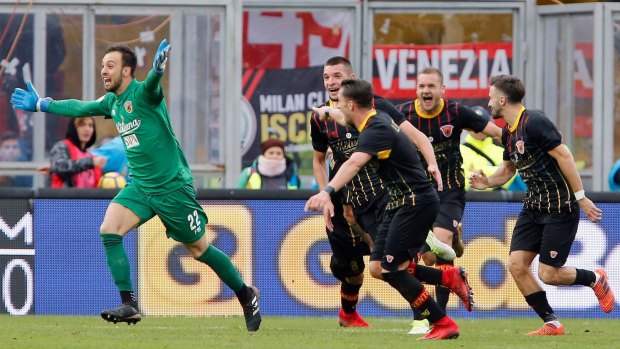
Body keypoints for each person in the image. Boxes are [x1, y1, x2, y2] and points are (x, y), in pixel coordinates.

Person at [10, 39, 262, 331]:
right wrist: (42, 104)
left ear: (127, 71)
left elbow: (154, 85)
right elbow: (81, 107)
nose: (104, 71)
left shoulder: (143, 93)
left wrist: (157, 70)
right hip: (140, 187)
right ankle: (129, 304)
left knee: (200, 250)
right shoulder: (112, 101)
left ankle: (245, 294)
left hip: (172, 188)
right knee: (109, 229)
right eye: (102, 66)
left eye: (110, 66)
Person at [306, 79, 473, 340]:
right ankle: (449, 277)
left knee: (393, 269)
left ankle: (443, 323)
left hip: (415, 202)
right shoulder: (371, 117)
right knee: (377, 268)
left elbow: (353, 164)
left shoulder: (376, 130)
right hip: (400, 202)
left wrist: (326, 192)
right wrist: (324, 112)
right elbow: (339, 115)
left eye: (339, 104)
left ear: (351, 104)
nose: (336, 109)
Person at [469, 74, 614, 335]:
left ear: (502, 99)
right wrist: (487, 182)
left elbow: (565, 155)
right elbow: (507, 170)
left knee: (549, 274)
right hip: (533, 208)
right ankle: (552, 323)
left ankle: (595, 278)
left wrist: (581, 197)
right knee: (516, 265)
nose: (488, 102)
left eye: (491, 96)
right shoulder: (508, 133)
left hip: (560, 207)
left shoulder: (535, 122)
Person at [396, 67, 502, 332]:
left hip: (449, 192)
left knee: (440, 244)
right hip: (417, 193)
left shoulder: (455, 112)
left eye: (431, 86)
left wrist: (524, 140)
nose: (426, 91)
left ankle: (435, 318)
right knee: (426, 258)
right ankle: (455, 241)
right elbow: (371, 129)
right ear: (416, 89)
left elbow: (497, 132)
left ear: (442, 90)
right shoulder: (404, 115)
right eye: (421, 86)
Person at [460, 106, 524, 192]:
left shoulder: (500, 150)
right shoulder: (459, 150)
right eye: (473, 125)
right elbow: (463, 181)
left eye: (481, 125)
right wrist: (498, 172)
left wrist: (480, 171)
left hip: (501, 204)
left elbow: (512, 175)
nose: (477, 129)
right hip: (471, 204)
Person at [42, 116, 105, 188]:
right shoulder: (61, 147)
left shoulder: (92, 156)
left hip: (86, 199)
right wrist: (90, 162)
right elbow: (60, 167)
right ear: (74, 128)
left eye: (90, 125)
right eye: (82, 125)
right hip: (63, 198)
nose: (87, 129)